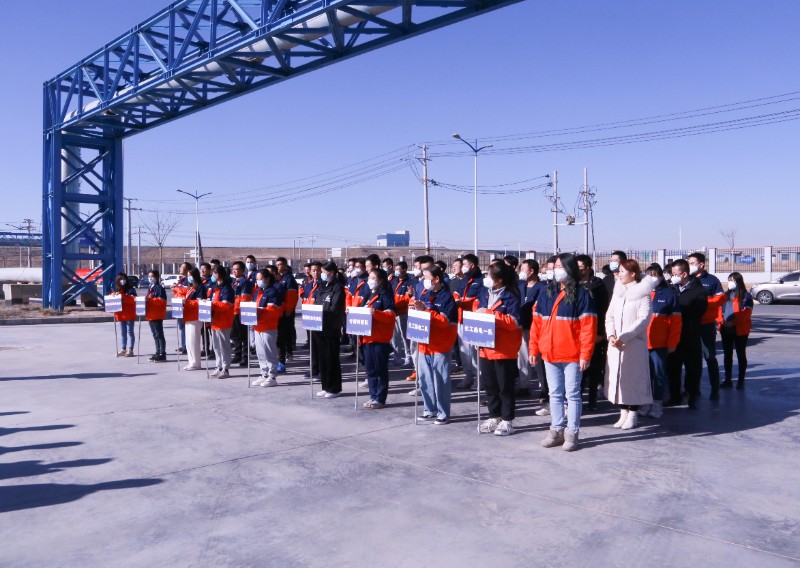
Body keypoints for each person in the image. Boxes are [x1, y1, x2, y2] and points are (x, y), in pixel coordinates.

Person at [530, 253, 597, 451]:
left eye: (560, 266)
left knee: (573, 394)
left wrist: (585, 354)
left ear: (570, 269)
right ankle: (556, 430)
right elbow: (536, 324)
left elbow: (588, 328)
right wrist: (534, 348)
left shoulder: (583, 294)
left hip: (572, 355)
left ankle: (572, 433)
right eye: (555, 267)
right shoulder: (546, 293)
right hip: (549, 353)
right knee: (555, 394)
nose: (556, 270)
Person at [604, 260, 655, 430]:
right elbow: (610, 315)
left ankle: (633, 413)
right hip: (615, 344)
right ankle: (623, 412)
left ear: (633, 273)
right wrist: (611, 335)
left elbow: (643, 320)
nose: (618, 274)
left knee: (634, 378)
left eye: (622, 271)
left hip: (634, 344)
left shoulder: (643, 294)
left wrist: (624, 337)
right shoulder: (618, 291)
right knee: (618, 378)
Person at [476, 262, 522, 437]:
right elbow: (478, 312)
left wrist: (490, 314)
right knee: (490, 386)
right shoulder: (485, 293)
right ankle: (494, 416)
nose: (486, 278)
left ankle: (507, 420)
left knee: (505, 387)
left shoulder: (511, 296)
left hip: (503, 349)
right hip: (485, 347)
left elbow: (513, 322)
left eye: (489, 275)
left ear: (499, 280)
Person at [412, 265, 458, 424]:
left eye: (427, 277)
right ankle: (429, 409)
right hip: (424, 342)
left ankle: (443, 412)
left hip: (440, 344)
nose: (424, 281)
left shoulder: (447, 297)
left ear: (436, 279)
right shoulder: (425, 293)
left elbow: (444, 321)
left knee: (440, 380)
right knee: (425, 379)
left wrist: (426, 311)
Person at [666, 259, 708, 409]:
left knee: (692, 368)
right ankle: (674, 396)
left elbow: (697, 312)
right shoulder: (671, 289)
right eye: (672, 274)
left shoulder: (698, 291)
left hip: (690, 334)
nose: (673, 277)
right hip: (673, 335)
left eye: (675, 274)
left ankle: (692, 395)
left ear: (684, 274)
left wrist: (678, 310)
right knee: (673, 367)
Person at [642, 263, 681, 419]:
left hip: (659, 344)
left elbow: (676, 322)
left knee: (659, 375)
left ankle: (657, 404)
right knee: (644, 375)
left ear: (660, 277)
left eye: (654, 275)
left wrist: (672, 343)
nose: (651, 278)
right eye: (648, 275)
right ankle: (645, 402)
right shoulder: (641, 293)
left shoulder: (669, 294)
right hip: (641, 343)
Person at [688, 252, 726, 400]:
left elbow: (720, 299)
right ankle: (693, 388)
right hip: (691, 325)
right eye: (689, 263)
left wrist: (702, 303)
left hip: (706, 325)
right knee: (693, 359)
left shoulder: (712, 280)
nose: (690, 266)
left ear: (701, 264)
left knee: (710, 357)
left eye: (692, 263)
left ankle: (715, 388)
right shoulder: (688, 280)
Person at [576, 254, 610, 411]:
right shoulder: (573, 284)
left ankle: (592, 400)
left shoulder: (597, 285)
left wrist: (600, 333)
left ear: (588, 268)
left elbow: (603, 311)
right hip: (577, 333)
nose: (578, 270)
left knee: (594, 368)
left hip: (594, 332)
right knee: (578, 370)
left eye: (580, 267)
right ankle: (577, 400)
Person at [359, 268, 396, 409]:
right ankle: (373, 395)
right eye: (369, 278)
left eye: (373, 278)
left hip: (380, 338)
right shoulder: (368, 295)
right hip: (367, 337)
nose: (370, 281)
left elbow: (390, 316)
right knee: (370, 370)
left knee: (380, 369)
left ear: (380, 280)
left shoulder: (385, 295)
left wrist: (376, 313)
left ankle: (380, 398)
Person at [453, 253, 485, 390]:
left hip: (474, 319)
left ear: (472, 265)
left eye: (465, 265)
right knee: (464, 351)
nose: (463, 267)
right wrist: (457, 299)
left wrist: (465, 302)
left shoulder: (481, 281)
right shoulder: (463, 280)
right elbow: (456, 293)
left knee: (475, 351)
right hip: (461, 318)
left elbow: (480, 300)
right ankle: (468, 376)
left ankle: (479, 379)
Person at [516, 259, 546, 397]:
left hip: (536, 327)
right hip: (522, 326)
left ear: (531, 271)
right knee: (523, 358)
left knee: (538, 359)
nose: (521, 272)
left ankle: (544, 388)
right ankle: (524, 385)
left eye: (523, 269)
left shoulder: (542, 287)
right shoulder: (520, 285)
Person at [719, 271, 753, 390]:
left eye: (732, 280)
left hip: (740, 329)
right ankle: (727, 379)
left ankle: (741, 380)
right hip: (725, 328)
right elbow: (718, 310)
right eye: (729, 280)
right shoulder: (724, 296)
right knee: (727, 354)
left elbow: (746, 313)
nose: (730, 282)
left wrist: (733, 322)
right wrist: (722, 321)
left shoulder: (746, 296)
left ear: (738, 281)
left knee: (740, 354)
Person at [316, 261, 346, 398]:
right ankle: (325, 385)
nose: (322, 274)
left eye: (324, 272)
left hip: (331, 327)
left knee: (331, 358)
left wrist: (326, 314)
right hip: (319, 326)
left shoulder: (338, 287)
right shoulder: (322, 286)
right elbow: (317, 302)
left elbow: (335, 307)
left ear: (332, 272)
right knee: (322, 358)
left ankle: (334, 388)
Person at [251, 269, 284, 387]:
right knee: (260, 353)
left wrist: (259, 311)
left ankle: (272, 376)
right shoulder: (258, 292)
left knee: (270, 352)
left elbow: (273, 310)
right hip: (258, 326)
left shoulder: (273, 292)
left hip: (269, 327)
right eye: (257, 279)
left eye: (261, 279)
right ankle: (264, 374)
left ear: (267, 278)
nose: (258, 281)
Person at [210, 266, 235, 379]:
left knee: (224, 346)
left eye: (213, 274)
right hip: (215, 321)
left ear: (218, 275)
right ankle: (219, 366)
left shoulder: (227, 289)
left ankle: (225, 368)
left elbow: (226, 305)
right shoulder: (215, 288)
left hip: (223, 321)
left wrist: (212, 305)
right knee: (216, 346)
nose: (212, 276)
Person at [275, 257, 299, 371]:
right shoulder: (277, 278)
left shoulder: (289, 279)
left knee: (287, 332)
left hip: (287, 311)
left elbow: (292, 296)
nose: (278, 266)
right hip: (279, 311)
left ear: (285, 265)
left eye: (280, 264)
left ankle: (289, 352)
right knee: (281, 334)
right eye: (277, 265)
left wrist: (289, 310)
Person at [230, 261, 254, 367]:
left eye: (237, 269)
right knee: (234, 334)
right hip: (233, 311)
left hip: (240, 312)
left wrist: (238, 309)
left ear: (242, 270)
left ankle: (245, 357)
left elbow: (244, 298)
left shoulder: (245, 282)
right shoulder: (233, 282)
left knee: (243, 336)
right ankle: (237, 354)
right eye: (233, 269)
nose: (234, 271)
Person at [390, 260, 413, 367]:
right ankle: (397, 357)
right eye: (395, 269)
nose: (396, 271)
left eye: (398, 269)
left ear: (404, 270)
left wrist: (408, 296)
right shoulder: (394, 281)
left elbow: (408, 298)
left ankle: (409, 358)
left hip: (403, 313)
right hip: (394, 312)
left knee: (405, 336)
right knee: (394, 337)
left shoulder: (410, 282)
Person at [182, 267, 206, 371]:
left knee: (194, 341)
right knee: (189, 341)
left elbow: (200, 301)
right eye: (188, 276)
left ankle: (196, 363)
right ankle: (191, 361)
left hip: (195, 317)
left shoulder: (200, 287)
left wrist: (187, 303)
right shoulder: (190, 288)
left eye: (190, 276)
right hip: (188, 316)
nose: (189, 278)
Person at [111, 272, 137, 357]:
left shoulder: (131, 290)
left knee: (130, 332)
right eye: (120, 279)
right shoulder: (116, 290)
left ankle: (130, 349)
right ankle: (123, 349)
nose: (122, 281)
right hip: (120, 314)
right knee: (123, 333)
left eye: (124, 279)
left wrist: (123, 296)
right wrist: (112, 296)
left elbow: (133, 300)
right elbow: (112, 300)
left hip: (129, 313)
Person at [145, 269, 167, 362]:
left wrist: (150, 300)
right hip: (150, 314)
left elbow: (162, 301)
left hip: (157, 314)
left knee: (159, 334)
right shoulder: (150, 287)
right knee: (155, 335)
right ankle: (158, 352)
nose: (150, 278)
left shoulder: (159, 288)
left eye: (152, 276)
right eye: (149, 276)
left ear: (157, 277)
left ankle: (162, 353)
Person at [173, 262, 192, 355]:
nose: (180, 268)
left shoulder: (188, 280)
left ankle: (186, 346)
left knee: (185, 327)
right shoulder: (181, 279)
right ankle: (183, 345)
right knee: (181, 327)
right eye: (180, 266)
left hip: (185, 306)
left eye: (182, 267)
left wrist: (176, 288)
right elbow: (178, 292)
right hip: (178, 305)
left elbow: (185, 291)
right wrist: (175, 288)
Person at [199, 262, 215, 359]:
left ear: (209, 270)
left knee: (212, 331)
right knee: (203, 330)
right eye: (201, 269)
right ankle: (205, 348)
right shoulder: (200, 282)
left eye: (204, 269)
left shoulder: (212, 282)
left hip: (210, 308)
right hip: (202, 308)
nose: (202, 270)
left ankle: (214, 350)